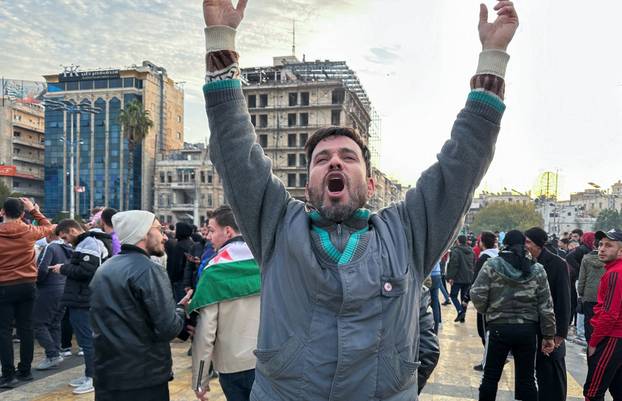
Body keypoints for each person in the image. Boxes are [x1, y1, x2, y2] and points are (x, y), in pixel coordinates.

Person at [200, 1, 519, 399]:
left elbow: (460, 166)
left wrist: (493, 58)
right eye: (322, 159)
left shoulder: (408, 233)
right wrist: (220, 42)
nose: (335, 161)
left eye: (347, 156)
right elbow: (235, 152)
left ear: (368, 184)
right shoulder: (277, 227)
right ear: (308, 185)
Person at [90, 211, 186, 401]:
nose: (164, 236)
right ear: (143, 233)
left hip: (107, 374)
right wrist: (182, 311)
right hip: (142, 378)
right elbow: (168, 328)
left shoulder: (105, 268)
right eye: (159, 229)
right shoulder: (149, 270)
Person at [470, 230, 556, 401]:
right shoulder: (537, 269)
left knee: (490, 377)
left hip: (498, 328)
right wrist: (548, 335)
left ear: (505, 244)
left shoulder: (491, 265)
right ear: (524, 244)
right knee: (527, 379)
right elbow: (546, 306)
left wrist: (488, 311)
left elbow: (477, 294)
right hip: (528, 331)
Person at [189, 206, 260, 401]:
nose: (208, 237)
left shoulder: (214, 271)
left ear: (228, 231)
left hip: (234, 366)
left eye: (212, 230)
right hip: (270, 360)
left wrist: (199, 380)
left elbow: (205, 332)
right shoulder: (267, 261)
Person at [52, 219, 112, 395]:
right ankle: (89, 374)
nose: (65, 241)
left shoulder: (89, 243)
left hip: (85, 299)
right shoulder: (87, 242)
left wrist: (63, 268)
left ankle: (92, 378)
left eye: (65, 237)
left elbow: (87, 271)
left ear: (72, 230)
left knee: (88, 341)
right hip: (82, 298)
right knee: (86, 340)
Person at [0, 197, 54, 388]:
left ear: (2, 212)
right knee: (26, 328)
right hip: (28, 284)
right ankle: (25, 371)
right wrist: (35, 211)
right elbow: (50, 227)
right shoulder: (29, 231)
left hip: (4, 286)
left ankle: (7, 375)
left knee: (4, 331)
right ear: (22, 214)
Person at [524, 227, 571, 401]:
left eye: (528, 242)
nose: (525, 246)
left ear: (538, 244)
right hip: (532, 327)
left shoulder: (557, 264)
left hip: (552, 329)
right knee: (537, 374)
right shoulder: (526, 262)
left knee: (553, 372)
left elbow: (564, 301)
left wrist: (560, 334)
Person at [583, 229, 622, 401]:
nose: (602, 249)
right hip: (616, 338)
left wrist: (594, 342)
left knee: (592, 392)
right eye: (600, 244)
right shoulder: (614, 270)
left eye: (608, 245)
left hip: (611, 337)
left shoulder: (615, 273)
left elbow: (609, 314)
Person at [33, 232, 73, 370]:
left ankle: (52, 354)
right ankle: (55, 353)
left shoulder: (51, 248)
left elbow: (42, 269)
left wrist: (38, 283)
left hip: (49, 289)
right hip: (64, 288)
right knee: (55, 323)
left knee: (39, 324)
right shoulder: (70, 249)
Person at [471, 231, 498, 371]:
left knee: (484, 331)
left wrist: (468, 298)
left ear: (482, 242)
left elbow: (477, 280)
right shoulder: (498, 256)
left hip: (485, 301)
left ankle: (488, 362)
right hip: (498, 300)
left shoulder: (485, 258)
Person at [577, 239, 605, 344]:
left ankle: (590, 342)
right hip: (603, 295)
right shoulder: (608, 260)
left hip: (588, 295)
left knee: (588, 320)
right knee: (601, 320)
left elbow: (582, 278)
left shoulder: (586, 259)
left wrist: (580, 293)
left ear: (593, 245)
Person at [566, 231, 595, 332]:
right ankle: (579, 329)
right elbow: (569, 257)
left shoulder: (589, 249)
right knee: (581, 303)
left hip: (583, 278)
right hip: (580, 278)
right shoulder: (582, 249)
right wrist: (580, 268)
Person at [446, 235, 475, 322]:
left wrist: (450, 277)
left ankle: (460, 311)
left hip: (458, 277)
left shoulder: (456, 251)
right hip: (468, 278)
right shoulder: (471, 251)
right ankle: (462, 317)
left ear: (458, 241)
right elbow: (474, 263)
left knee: (453, 295)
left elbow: (454, 264)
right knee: (464, 298)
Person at [165, 221, 195, 302]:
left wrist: (171, 278)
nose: (175, 231)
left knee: (179, 303)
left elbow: (175, 265)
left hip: (179, 280)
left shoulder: (179, 246)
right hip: (189, 280)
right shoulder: (191, 243)